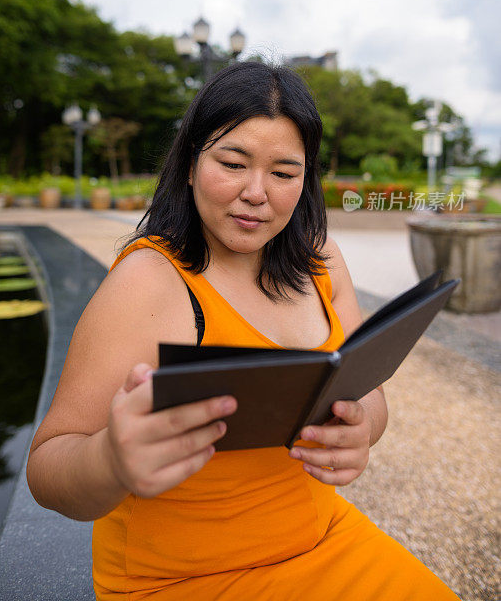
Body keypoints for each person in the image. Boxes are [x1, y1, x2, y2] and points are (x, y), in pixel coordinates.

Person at [27, 61, 459, 600]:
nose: (257, 193)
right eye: (233, 163)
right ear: (188, 164)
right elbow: (47, 468)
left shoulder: (321, 261)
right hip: (181, 576)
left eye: (284, 173)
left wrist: (361, 426)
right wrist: (113, 458)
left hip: (322, 539)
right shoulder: (149, 282)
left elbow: (368, 392)